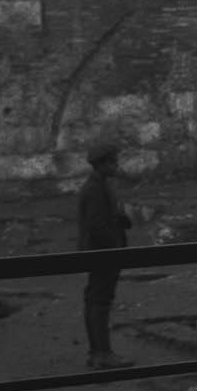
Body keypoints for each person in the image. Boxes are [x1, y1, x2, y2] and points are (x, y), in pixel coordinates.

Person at [76, 144, 135, 366]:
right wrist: (114, 249)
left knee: (96, 300)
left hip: (101, 251)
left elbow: (106, 218)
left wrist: (121, 219)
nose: (116, 165)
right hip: (102, 253)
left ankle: (98, 352)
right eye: (112, 161)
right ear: (102, 164)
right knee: (99, 301)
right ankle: (102, 353)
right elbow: (97, 227)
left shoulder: (101, 185)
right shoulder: (95, 189)